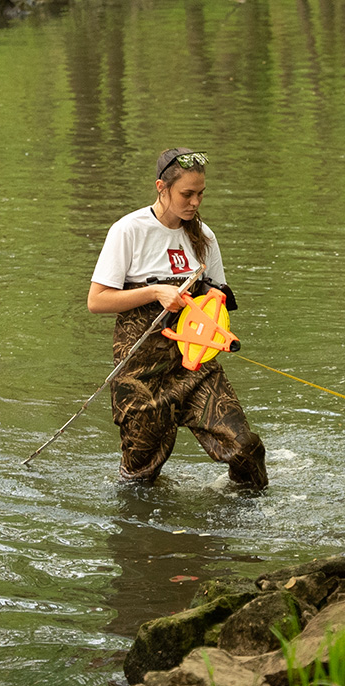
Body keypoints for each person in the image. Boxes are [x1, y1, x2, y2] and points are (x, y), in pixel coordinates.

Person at [87, 147, 268, 489]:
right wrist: (155, 293)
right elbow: (97, 301)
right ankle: (145, 537)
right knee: (139, 479)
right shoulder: (128, 231)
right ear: (161, 187)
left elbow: (220, 301)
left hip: (196, 367)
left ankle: (245, 519)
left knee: (245, 448)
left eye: (201, 194)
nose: (195, 202)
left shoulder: (205, 238)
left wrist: (215, 298)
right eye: (187, 194)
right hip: (141, 376)